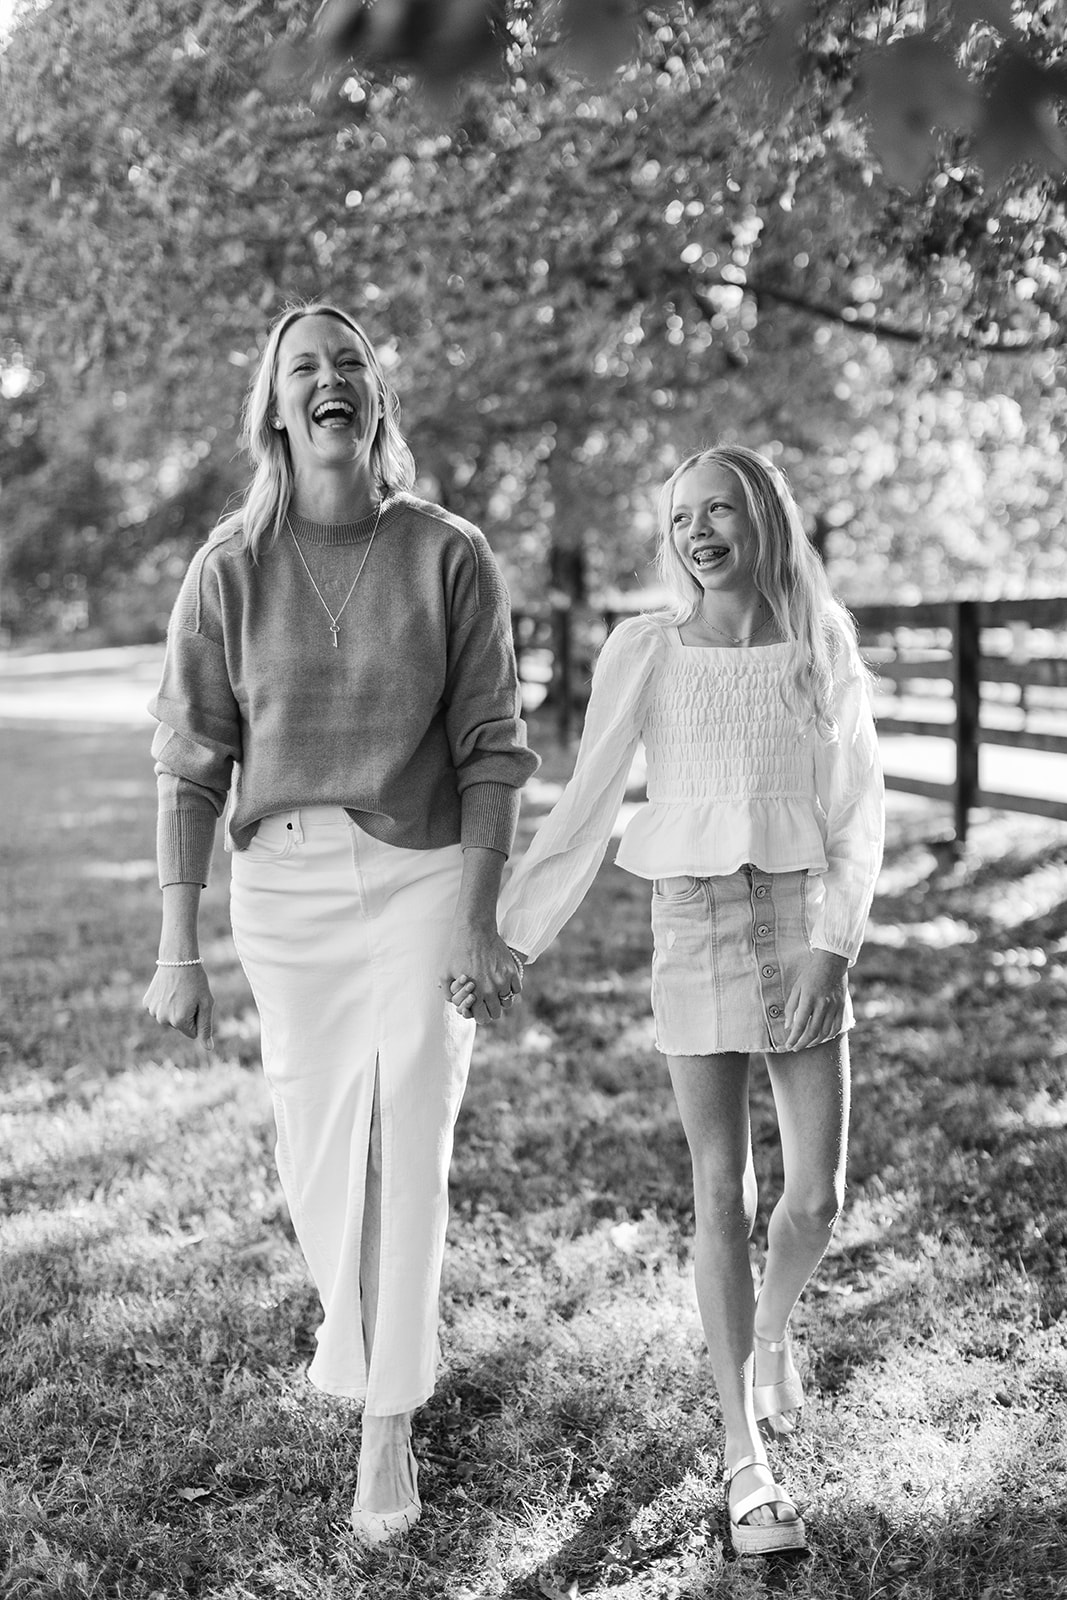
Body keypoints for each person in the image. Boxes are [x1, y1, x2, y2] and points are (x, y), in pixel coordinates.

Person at [142, 301, 538, 1544]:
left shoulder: (446, 553)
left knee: (405, 1126)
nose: (327, 380)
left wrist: (479, 920)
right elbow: (190, 760)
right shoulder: (228, 569)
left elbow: (491, 751)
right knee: (319, 1149)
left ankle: (387, 1421)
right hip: (285, 891)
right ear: (273, 408)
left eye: (348, 363)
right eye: (302, 368)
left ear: (375, 400)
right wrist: (177, 945)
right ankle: (355, 1324)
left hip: (421, 873)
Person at [452, 444, 884, 1556]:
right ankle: (745, 1455)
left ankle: (772, 1328)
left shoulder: (816, 647)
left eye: (719, 508)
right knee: (719, 1193)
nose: (697, 530)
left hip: (797, 922)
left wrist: (831, 946)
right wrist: (507, 935)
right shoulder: (644, 649)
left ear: (762, 520)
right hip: (688, 918)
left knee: (817, 1197)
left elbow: (857, 813)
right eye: (680, 515)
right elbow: (587, 804)